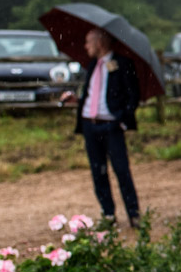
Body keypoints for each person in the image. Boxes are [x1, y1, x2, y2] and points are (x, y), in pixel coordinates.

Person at [60, 28, 142, 227]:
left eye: (89, 42)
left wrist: (121, 120)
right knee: (98, 171)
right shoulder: (92, 66)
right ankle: (108, 215)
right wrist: (76, 101)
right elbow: (93, 95)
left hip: (111, 126)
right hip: (90, 124)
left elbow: (133, 96)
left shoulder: (122, 64)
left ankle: (134, 213)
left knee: (121, 170)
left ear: (100, 43)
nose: (86, 46)